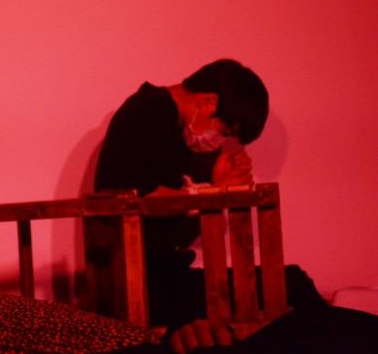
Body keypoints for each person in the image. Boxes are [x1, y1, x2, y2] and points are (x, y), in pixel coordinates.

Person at [93, 59, 323, 326]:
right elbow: (141, 197)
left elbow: (177, 226)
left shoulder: (172, 127)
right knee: (293, 284)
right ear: (207, 102)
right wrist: (214, 193)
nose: (218, 141)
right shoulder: (151, 112)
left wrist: (214, 183)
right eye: (224, 132)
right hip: (140, 283)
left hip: (162, 276)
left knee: (291, 284)